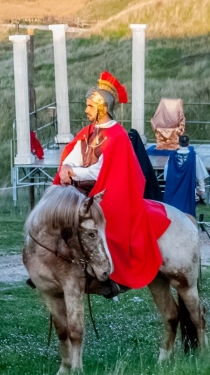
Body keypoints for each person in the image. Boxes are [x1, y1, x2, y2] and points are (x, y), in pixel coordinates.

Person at [54, 71, 171, 294]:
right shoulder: (89, 131)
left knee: (100, 224)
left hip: (108, 192)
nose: (86, 110)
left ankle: (108, 274)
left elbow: (101, 171)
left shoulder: (117, 136)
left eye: (89, 106)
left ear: (101, 108)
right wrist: (67, 167)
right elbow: (74, 153)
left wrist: (74, 174)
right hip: (82, 190)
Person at [163, 135, 208, 216]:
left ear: (178, 143)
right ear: (188, 143)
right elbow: (199, 173)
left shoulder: (171, 156)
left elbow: (166, 174)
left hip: (174, 188)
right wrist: (202, 188)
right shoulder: (194, 156)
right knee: (187, 212)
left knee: (173, 211)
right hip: (188, 188)